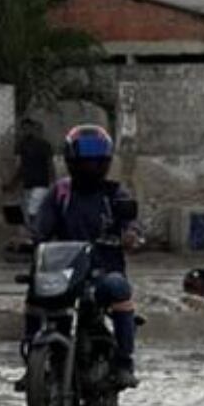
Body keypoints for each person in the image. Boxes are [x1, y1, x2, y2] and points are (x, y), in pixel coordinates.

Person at [28, 126, 140, 386]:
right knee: (33, 291)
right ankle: (30, 354)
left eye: (97, 157)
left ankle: (125, 361)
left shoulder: (114, 193)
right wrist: (29, 240)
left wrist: (130, 235)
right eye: (85, 157)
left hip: (103, 271)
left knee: (119, 288)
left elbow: (131, 223)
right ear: (71, 158)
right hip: (64, 271)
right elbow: (41, 227)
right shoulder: (60, 192)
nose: (91, 163)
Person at [9, 118, 55, 229]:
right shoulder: (23, 145)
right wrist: (12, 184)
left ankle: (37, 234)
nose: (26, 131)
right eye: (23, 129)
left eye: (28, 128)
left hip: (41, 184)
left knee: (32, 212)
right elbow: (22, 167)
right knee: (28, 214)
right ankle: (35, 233)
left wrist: (53, 182)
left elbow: (50, 164)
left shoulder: (44, 145)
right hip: (28, 185)